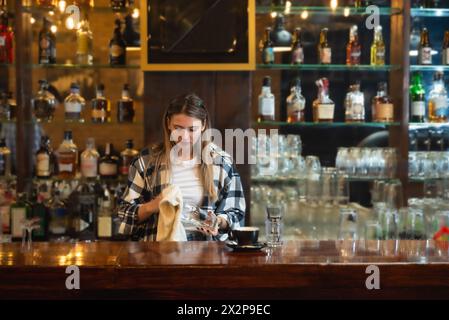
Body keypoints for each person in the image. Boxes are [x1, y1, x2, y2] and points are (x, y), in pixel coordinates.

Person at [117, 93, 246, 241]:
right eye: (178, 128)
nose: (184, 137)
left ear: (203, 125)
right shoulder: (146, 161)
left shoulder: (221, 162)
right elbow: (124, 214)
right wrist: (154, 205)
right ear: (168, 124)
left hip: (207, 253)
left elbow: (236, 213)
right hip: (157, 251)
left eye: (192, 130)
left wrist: (218, 221)